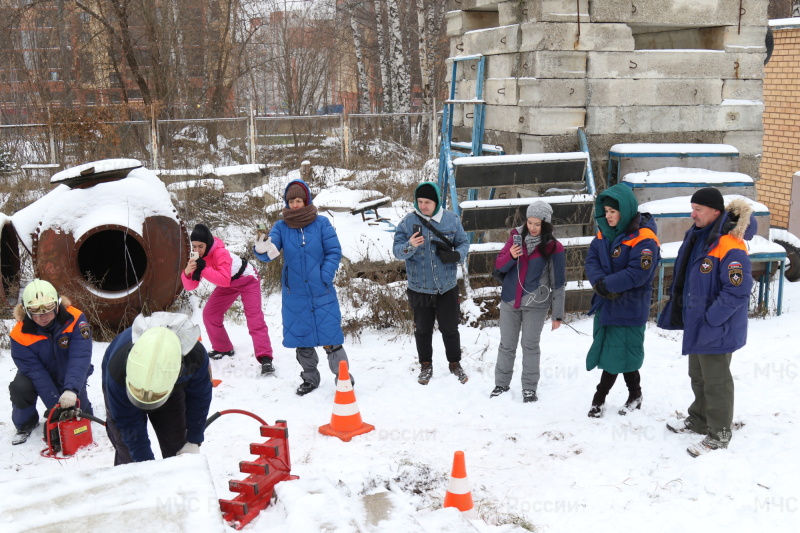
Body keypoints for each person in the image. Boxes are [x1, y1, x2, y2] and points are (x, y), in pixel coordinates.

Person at [657, 187, 754, 457]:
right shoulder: (700, 237)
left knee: (717, 382)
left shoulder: (730, 244)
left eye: (698, 209)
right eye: (693, 208)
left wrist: (712, 318)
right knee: (698, 376)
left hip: (717, 327)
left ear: (715, 211)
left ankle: (719, 434)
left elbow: (738, 290)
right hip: (698, 323)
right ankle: (699, 419)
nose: (693, 214)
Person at [253, 179, 351, 396]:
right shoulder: (281, 226)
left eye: (298, 200)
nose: (295, 204)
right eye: (291, 201)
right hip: (295, 293)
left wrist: (324, 275)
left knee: (331, 337)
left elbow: (334, 251)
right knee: (302, 339)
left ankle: (342, 376)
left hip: (321, 290)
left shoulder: (322, 223)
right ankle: (309, 379)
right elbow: (271, 253)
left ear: (306, 200)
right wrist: (262, 247)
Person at [584, 184, 661, 418]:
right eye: (605, 211)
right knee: (616, 353)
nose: (607, 216)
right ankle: (634, 395)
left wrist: (607, 285)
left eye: (612, 212)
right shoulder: (603, 233)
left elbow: (638, 273)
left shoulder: (645, 239)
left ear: (625, 211)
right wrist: (599, 283)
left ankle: (601, 398)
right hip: (607, 303)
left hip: (629, 306)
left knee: (620, 355)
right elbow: (592, 260)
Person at [102, 312, 213, 464]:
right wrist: (145, 464)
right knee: (129, 452)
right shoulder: (117, 370)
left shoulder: (195, 358)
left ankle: (180, 482)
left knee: (177, 442)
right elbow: (128, 422)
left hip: (170, 386)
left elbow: (199, 399)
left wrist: (194, 439)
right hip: (124, 386)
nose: (148, 398)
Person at [392, 181, 470, 385]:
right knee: (423, 329)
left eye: (427, 202)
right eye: (420, 201)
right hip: (419, 287)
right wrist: (410, 246)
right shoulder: (408, 222)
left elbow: (463, 242)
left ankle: (454, 363)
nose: (423, 206)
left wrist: (456, 255)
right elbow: (397, 251)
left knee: (450, 328)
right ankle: (425, 365)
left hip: (447, 286)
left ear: (436, 202)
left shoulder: (451, 220)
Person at [491, 201, 565, 403]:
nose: (531, 228)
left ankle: (529, 388)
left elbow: (558, 282)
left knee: (530, 346)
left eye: (537, 224)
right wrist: (511, 256)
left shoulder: (553, 247)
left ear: (546, 224)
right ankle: (501, 384)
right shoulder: (515, 238)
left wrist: (557, 314)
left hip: (536, 304)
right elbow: (499, 265)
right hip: (509, 301)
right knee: (507, 345)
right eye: (529, 222)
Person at [182, 223, 275, 376]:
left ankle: (265, 357)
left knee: (254, 317)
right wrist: (187, 273)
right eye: (194, 247)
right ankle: (223, 348)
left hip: (247, 279)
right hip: (229, 283)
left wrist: (203, 268)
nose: (197, 250)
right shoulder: (197, 258)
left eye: (200, 246)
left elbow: (223, 280)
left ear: (208, 243)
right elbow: (191, 286)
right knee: (210, 314)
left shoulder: (221, 253)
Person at [9, 279, 94, 444]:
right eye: (36, 312)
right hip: (40, 374)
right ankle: (25, 424)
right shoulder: (19, 335)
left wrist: (71, 390)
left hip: (71, 370)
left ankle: (79, 400)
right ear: (26, 311)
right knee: (20, 387)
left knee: (80, 411)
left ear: (57, 305)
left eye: (48, 309)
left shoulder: (76, 318)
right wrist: (56, 406)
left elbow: (80, 356)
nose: (43, 317)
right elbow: (35, 372)